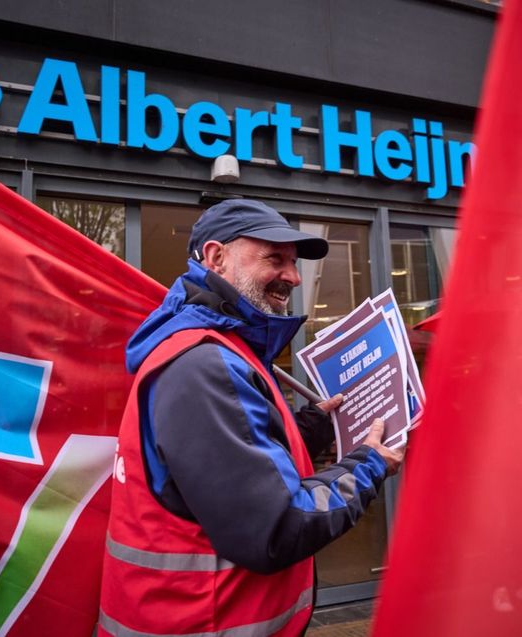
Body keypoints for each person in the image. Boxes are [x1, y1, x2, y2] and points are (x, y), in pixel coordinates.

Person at [98, 199, 404, 637]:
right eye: (274, 258)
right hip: (205, 624)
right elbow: (276, 527)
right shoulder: (205, 365)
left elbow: (239, 460)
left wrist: (314, 425)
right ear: (216, 257)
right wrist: (369, 465)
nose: (294, 277)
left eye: (294, 264)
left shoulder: (220, 350)